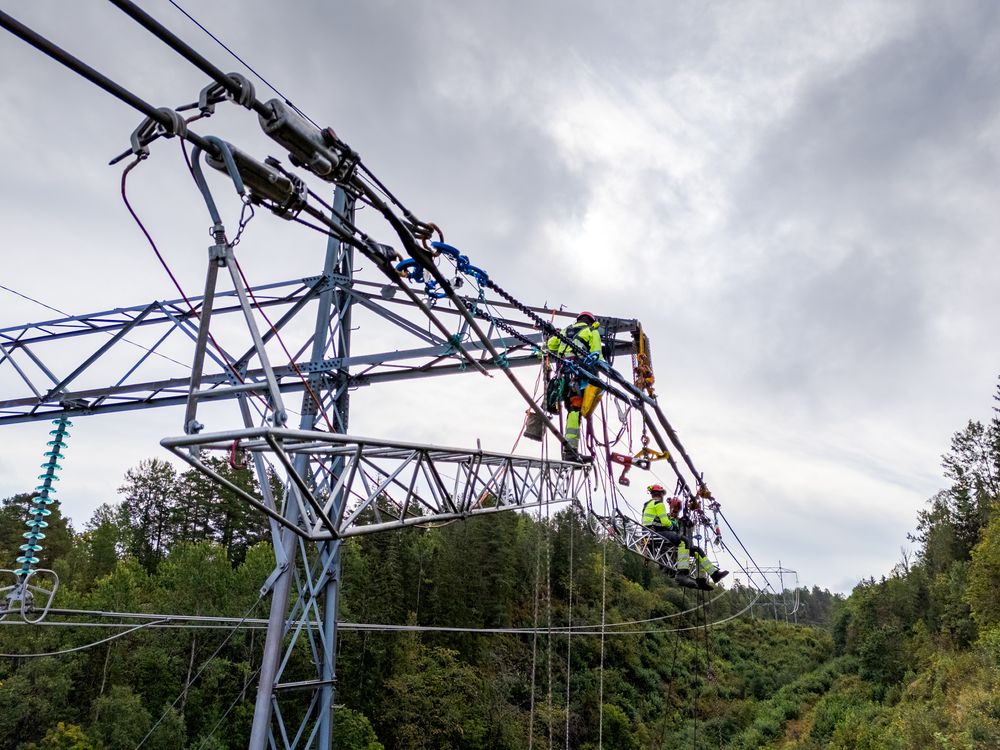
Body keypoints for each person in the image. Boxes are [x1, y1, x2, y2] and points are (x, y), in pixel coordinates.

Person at [642, 485, 728, 590]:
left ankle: (710, 576)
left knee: (697, 550)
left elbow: (658, 521)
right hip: (655, 533)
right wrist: (672, 526)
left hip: (652, 533)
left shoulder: (647, 505)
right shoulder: (658, 504)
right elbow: (665, 522)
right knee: (683, 541)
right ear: (660, 495)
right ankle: (682, 574)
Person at [545, 311, 603, 460]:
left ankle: (571, 450)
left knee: (573, 409)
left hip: (565, 376)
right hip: (580, 376)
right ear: (591, 321)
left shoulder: (565, 331)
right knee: (576, 410)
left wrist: (554, 334)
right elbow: (597, 355)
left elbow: (550, 345)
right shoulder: (591, 331)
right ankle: (570, 452)